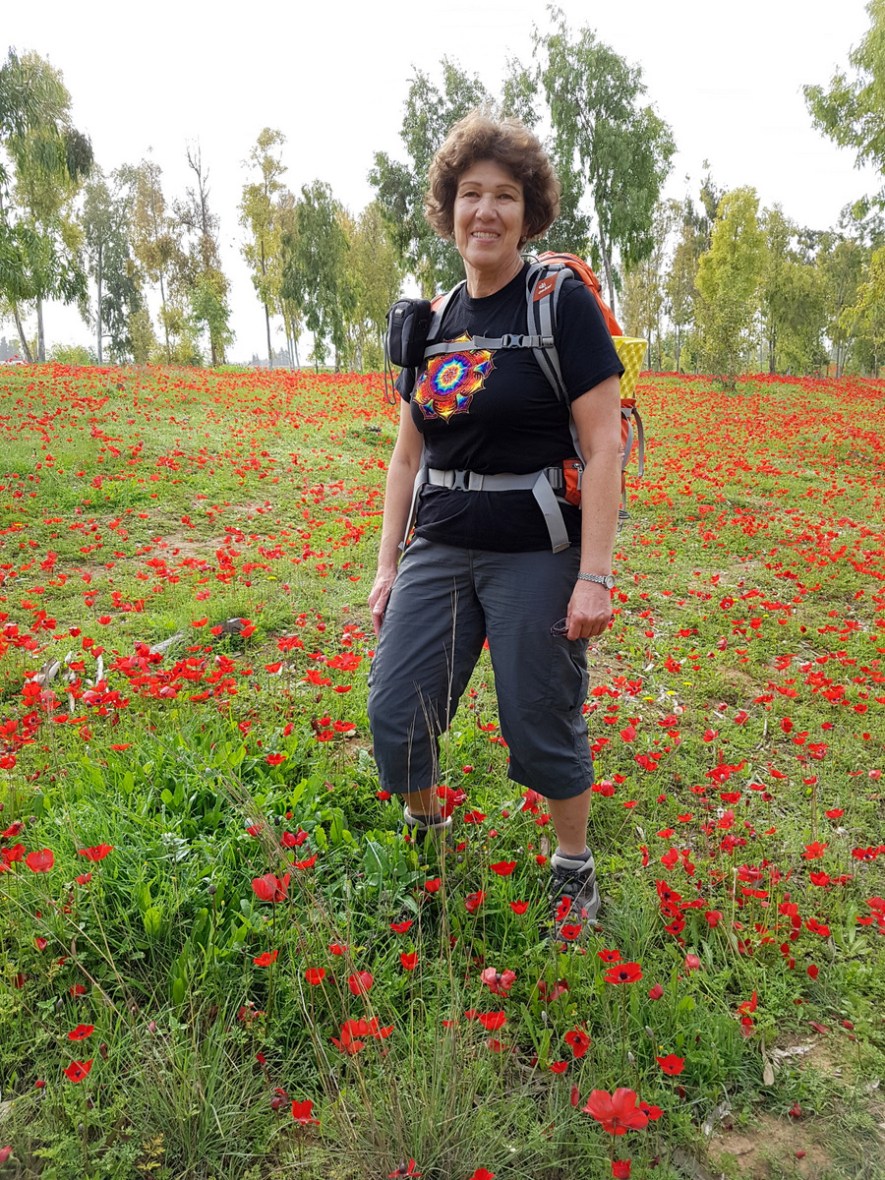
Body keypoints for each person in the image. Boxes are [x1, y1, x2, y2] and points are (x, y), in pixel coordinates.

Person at [367, 112, 624, 936]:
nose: (485, 211)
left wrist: (594, 575)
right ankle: (426, 834)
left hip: (535, 550)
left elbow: (604, 444)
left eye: (504, 196)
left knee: (539, 716)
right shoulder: (432, 319)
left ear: (527, 212)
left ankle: (572, 867)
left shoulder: (559, 303)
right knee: (395, 712)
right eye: (470, 194)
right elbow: (406, 457)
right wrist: (386, 566)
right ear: (448, 209)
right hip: (440, 545)